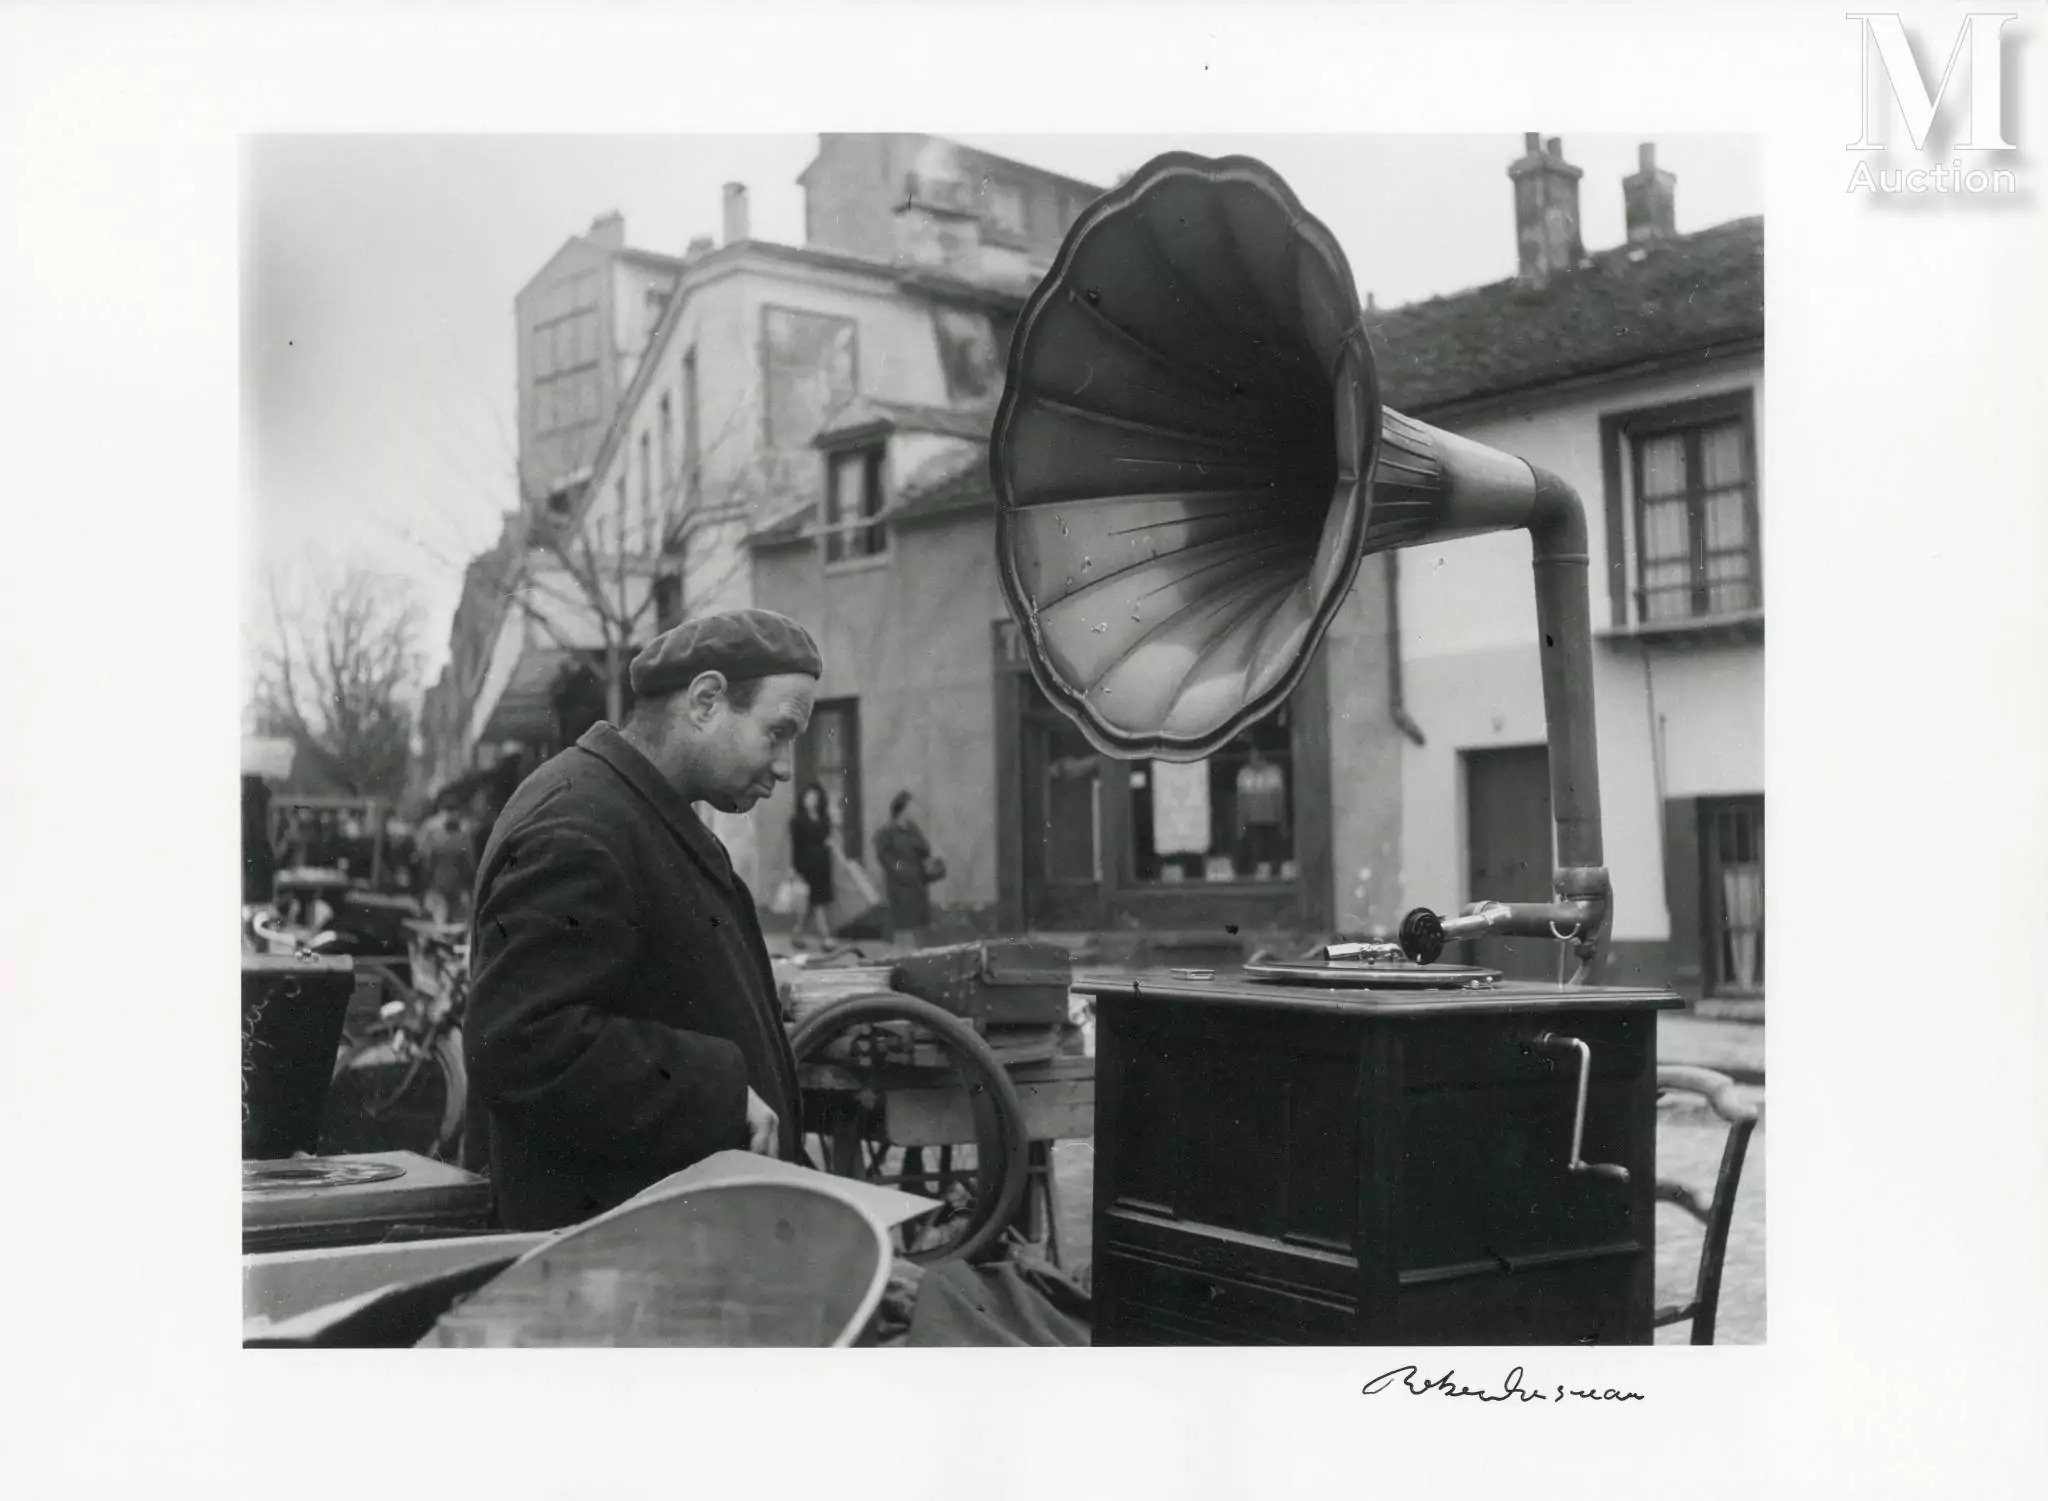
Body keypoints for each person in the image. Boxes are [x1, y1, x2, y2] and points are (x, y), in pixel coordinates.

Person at [464, 608, 821, 1232]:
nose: (786, 765)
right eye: (778, 731)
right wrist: (720, 1090)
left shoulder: (620, 807)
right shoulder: (579, 827)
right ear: (706, 700)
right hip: (608, 1258)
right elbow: (523, 1044)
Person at [873, 790, 942, 946]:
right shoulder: (888, 832)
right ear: (902, 808)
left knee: (918, 924)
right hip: (900, 885)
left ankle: (916, 953)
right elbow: (884, 856)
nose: (914, 810)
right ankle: (902, 953)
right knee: (902, 924)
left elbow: (924, 849)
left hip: (917, 883)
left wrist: (930, 865)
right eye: (911, 806)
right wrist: (900, 868)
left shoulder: (913, 829)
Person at [787, 782, 838, 950]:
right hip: (806, 863)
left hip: (823, 864)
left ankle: (797, 933)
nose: (811, 801)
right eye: (809, 797)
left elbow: (828, 838)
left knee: (811, 903)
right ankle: (826, 938)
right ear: (803, 799)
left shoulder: (824, 818)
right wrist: (794, 868)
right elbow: (795, 846)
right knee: (817, 902)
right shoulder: (797, 820)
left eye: (814, 798)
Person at [416, 803, 475, 926]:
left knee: (453, 915)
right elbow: (425, 857)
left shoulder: (461, 830)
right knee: (441, 912)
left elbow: (423, 856)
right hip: (442, 879)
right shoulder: (434, 827)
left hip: (450, 879)